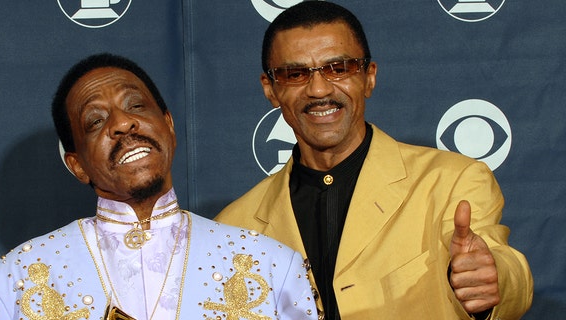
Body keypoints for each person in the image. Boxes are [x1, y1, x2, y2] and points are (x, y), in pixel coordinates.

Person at [214, 1, 533, 319]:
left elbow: (501, 265)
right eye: (295, 73)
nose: (319, 88)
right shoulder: (232, 228)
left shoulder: (451, 181)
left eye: (338, 68)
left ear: (369, 77)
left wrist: (494, 279)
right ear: (270, 89)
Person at [0, 53, 318, 320]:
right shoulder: (9, 284)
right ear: (77, 165)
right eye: (95, 121)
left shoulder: (271, 266)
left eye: (136, 105)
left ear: (169, 126)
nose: (122, 123)